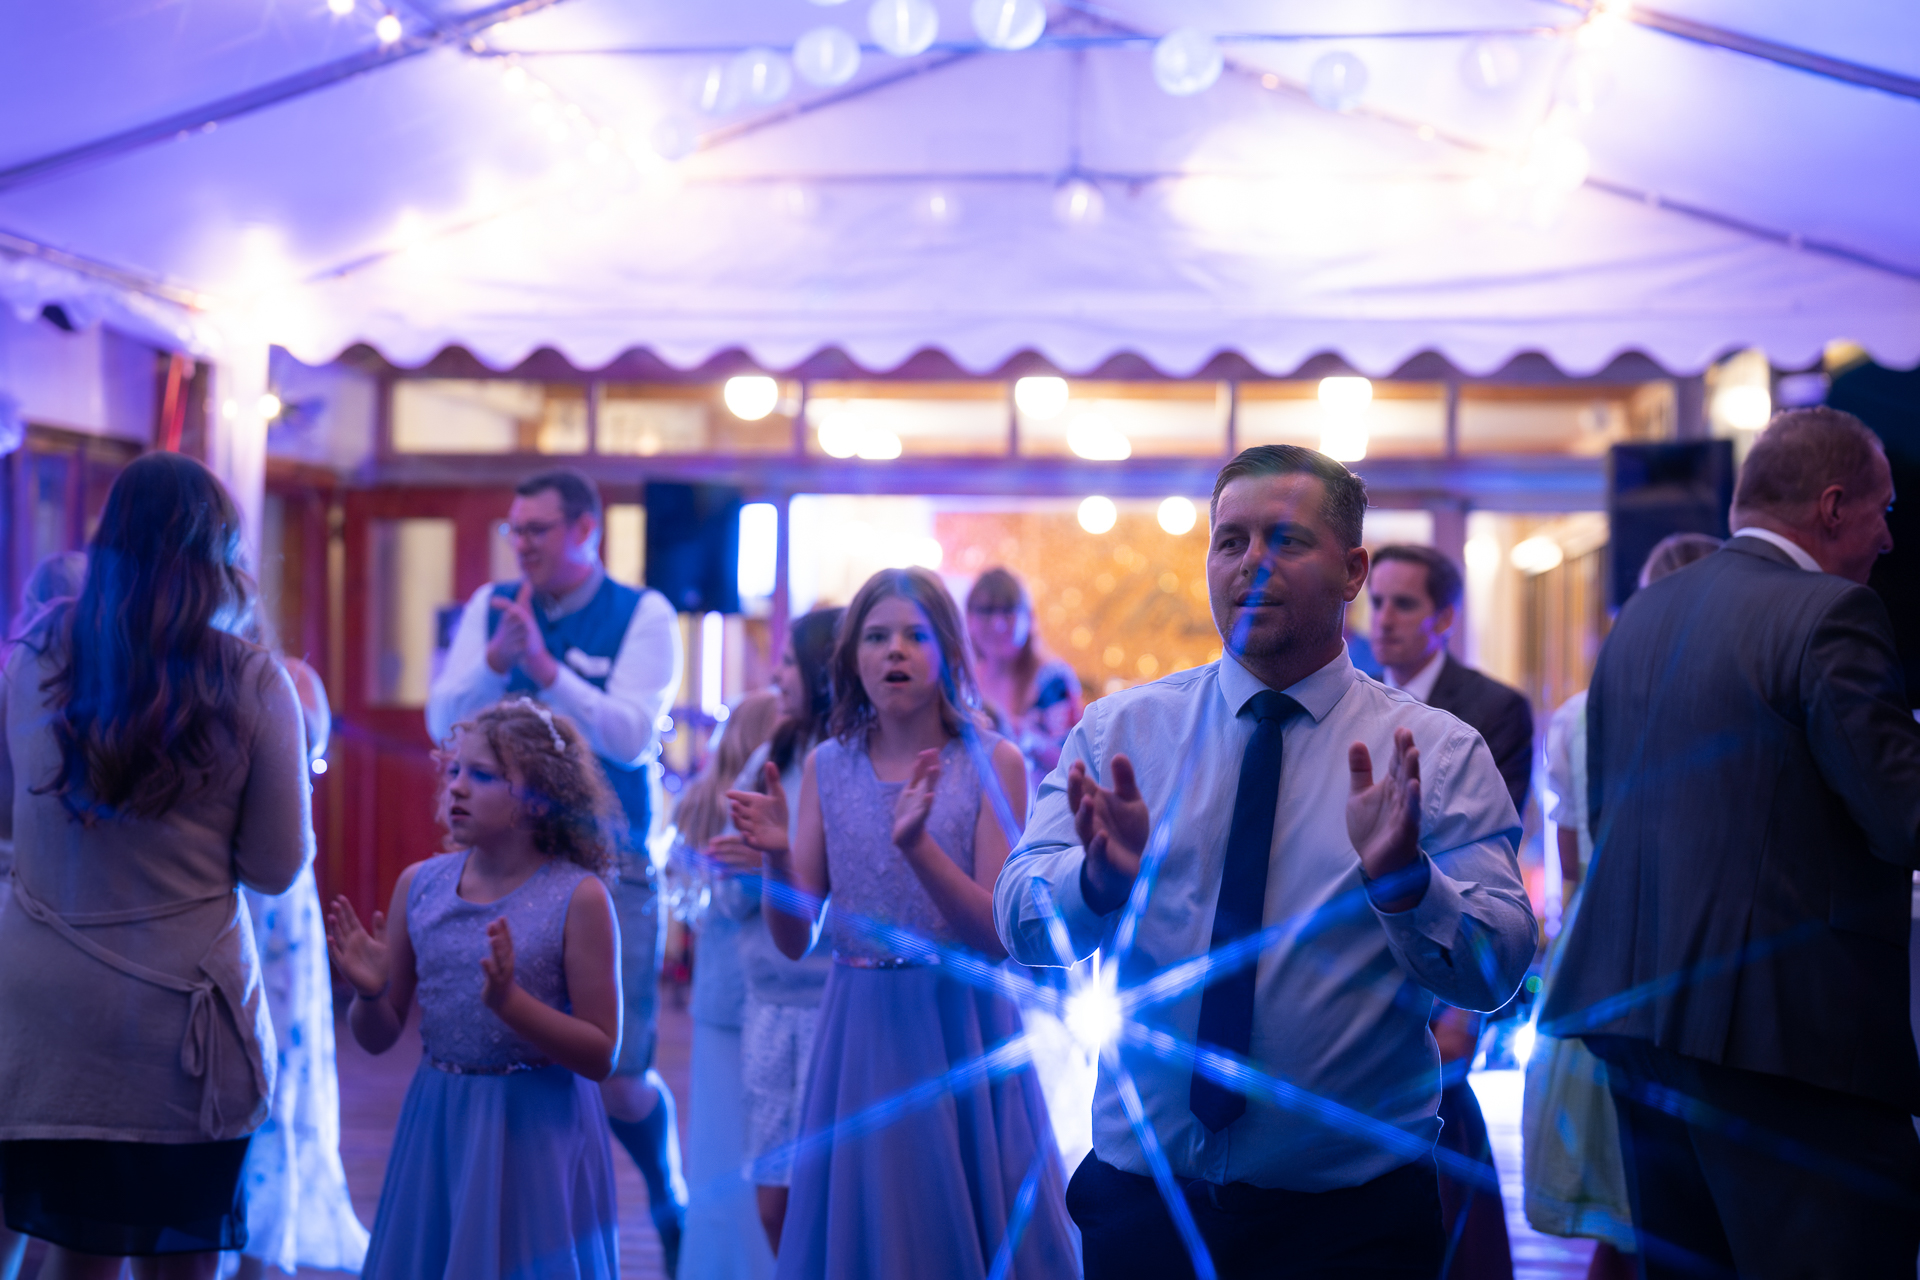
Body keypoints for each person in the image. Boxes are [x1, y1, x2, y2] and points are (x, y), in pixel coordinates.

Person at [997, 444, 1537, 1280]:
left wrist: (1408, 886)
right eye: (1231, 540)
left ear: (1352, 570)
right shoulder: (1121, 736)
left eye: (1286, 539)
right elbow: (1019, 920)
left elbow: (1498, 968)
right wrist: (1097, 883)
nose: (1252, 562)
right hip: (1145, 1208)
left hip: (1348, 1226)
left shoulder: (1434, 753)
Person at [1541, 406, 1920, 1279]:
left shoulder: (1644, 614)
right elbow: (1903, 814)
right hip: (1785, 1040)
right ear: (1833, 507)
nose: (1889, 539)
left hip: (1636, 1016)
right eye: (1884, 511)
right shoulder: (1833, 612)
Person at [0, 452, 313, 1280]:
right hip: (176, 1022)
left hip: (41, 1009)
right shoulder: (253, 680)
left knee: (74, 1254)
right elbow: (276, 866)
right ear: (220, 554)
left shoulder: (34, 656)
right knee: (179, 1264)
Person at [732, 568, 1078, 1279]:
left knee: (954, 1217)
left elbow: (996, 935)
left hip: (960, 1021)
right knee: (869, 1225)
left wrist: (918, 847)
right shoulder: (830, 765)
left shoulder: (993, 760)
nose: (895, 651)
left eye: (915, 636)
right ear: (851, 660)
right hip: (858, 1024)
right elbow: (793, 938)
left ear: (948, 651)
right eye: (877, 637)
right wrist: (775, 857)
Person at [425, 467, 687, 1271]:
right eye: (515, 529)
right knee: (513, 1052)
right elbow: (443, 722)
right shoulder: (492, 606)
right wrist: (491, 661)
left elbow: (632, 736)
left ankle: (665, 1192)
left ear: (584, 530)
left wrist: (545, 670)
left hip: (613, 866)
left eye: (537, 529)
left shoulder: (643, 614)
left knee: (618, 1074)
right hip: (504, 864)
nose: (522, 544)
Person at [327, 698, 623, 1280]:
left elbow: (601, 1052)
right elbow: (379, 1037)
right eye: (455, 770)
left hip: (535, 1131)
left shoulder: (580, 897)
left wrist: (513, 1006)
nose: (457, 786)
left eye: (483, 775)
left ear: (539, 799)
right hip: (440, 1120)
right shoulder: (420, 886)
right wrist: (370, 995)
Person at [1524, 531, 1721, 1280]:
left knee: (1621, 1197)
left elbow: (1572, 863)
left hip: (1597, 953)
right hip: (1691, 956)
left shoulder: (1580, 713)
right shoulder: (1725, 705)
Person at [1367, 542, 1536, 1280]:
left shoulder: (1492, 708)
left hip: (1449, 939)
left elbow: (1483, 862)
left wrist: (1460, 1013)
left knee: (1447, 1139)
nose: (1383, 619)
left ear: (1444, 618)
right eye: (1376, 602)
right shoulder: (1345, 697)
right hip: (1363, 952)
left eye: (1404, 604)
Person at [707, 608, 843, 1257]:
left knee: (832, 1193)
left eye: (789, 661)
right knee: (772, 1200)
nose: (777, 674)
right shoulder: (772, 755)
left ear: (824, 671)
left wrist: (784, 858)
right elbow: (729, 887)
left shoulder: (853, 762)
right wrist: (747, 868)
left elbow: (871, 892)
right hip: (769, 1004)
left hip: (835, 1005)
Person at [231, 656, 370, 1280]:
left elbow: (307, 760)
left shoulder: (289, 677)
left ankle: (262, 1248)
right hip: (213, 884)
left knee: (278, 1064)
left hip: (275, 901)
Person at [671, 689, 781, 1280]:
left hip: (714, 995)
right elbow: (745, 901)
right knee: (758, 1141)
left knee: (715, 1146)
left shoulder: (698, 801)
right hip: (758, 991)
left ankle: (714, 1263)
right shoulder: (748, 807)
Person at [967, 567, 1084, 780]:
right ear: (969, 618)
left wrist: (1024, 737)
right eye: (986, 611)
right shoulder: (964, 680)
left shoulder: (1053, 679)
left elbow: (1076, 763)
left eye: (1008, 610)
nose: (997, 624)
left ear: (1029, 618)